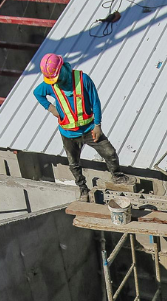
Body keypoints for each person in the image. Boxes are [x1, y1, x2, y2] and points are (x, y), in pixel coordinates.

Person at [33, 54, 131, 202]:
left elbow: (95, 101)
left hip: (89, 129)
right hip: (68, 133)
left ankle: (117, 176)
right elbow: (37, 93)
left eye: (57, 78)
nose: (56, 82)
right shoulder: (50, 85)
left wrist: (97, 125)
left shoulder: (83, 79)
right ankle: (83, 189)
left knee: (110, 153)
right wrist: (50, 107)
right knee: (74, 164)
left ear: (62, 69)